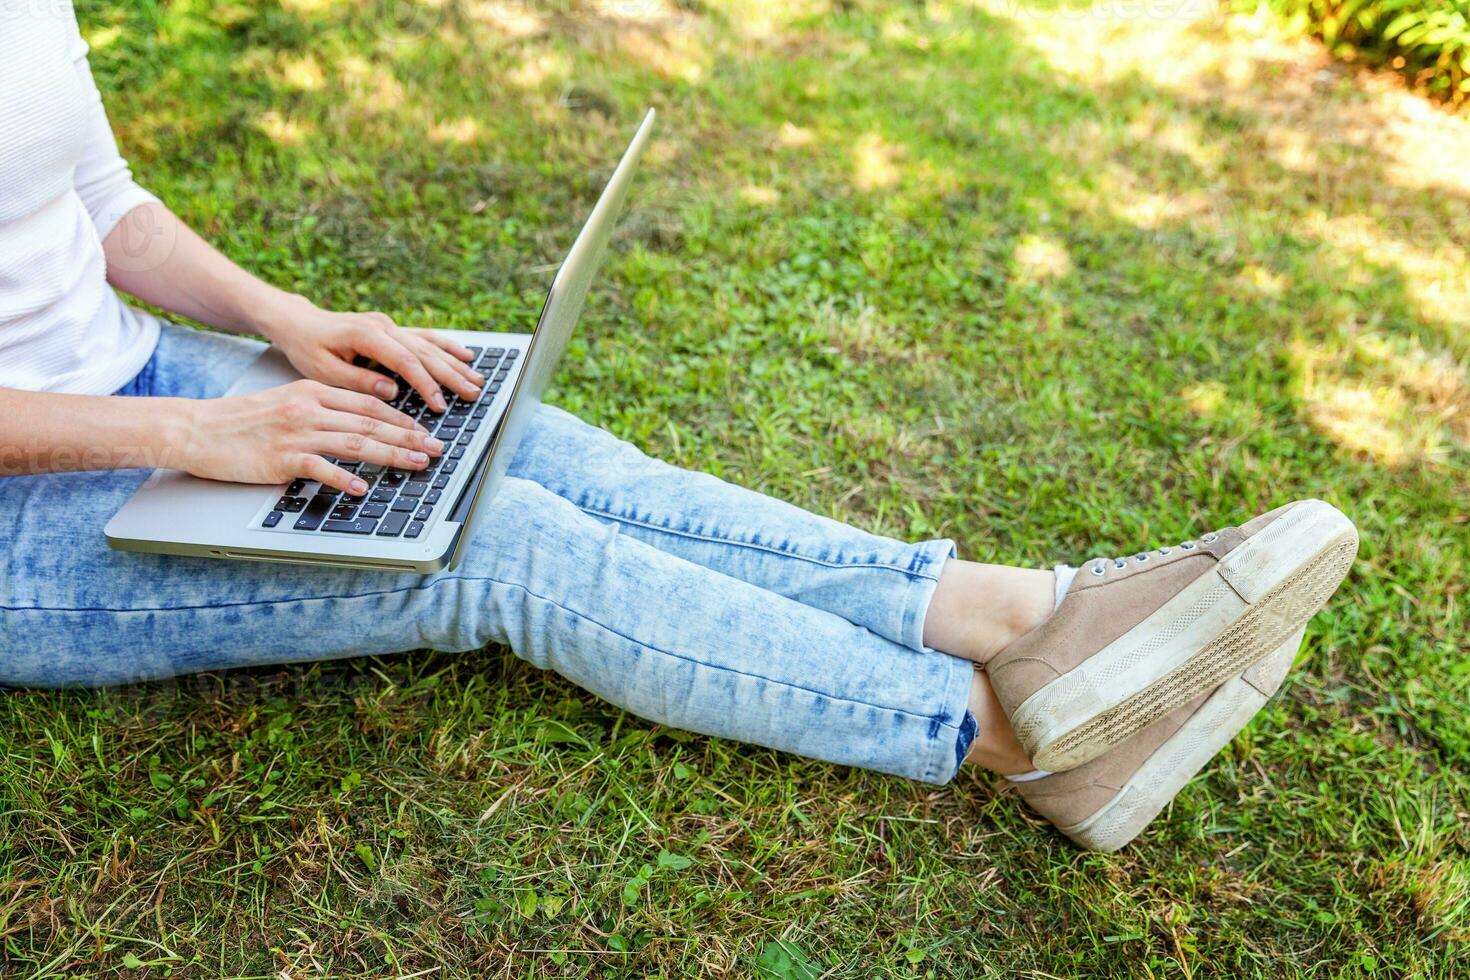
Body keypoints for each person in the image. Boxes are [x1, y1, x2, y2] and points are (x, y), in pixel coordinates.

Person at [0, 2, 1357, 852]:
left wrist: (285, 319)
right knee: (499, 547)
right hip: (26, 522)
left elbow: (106, 200)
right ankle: (1005, 731)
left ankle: (1024, 617)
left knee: (517, 443)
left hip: (150, 366)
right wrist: (188, 445)